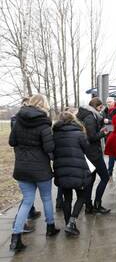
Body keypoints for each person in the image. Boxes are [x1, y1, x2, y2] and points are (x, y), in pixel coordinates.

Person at [8, 94, 60, 251]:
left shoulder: (18, 121)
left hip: (22, 167)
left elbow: (12, 142)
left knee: (27, 201)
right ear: (44, 105)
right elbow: (49, 148)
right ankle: (50, 228)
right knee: (46, 198)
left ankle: (15, 239)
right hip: (41, 168)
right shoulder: (44, 124)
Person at [53, 112, 95, 236]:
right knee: (81, 196)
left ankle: (68, 224)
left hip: (61, 169)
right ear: (73, 120)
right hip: (77, 169)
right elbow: (86, 149)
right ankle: (72, 222)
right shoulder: (79, 134)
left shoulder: (54, 134)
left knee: (67, 199)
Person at [10, 97, 41, 233]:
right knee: (28, 197)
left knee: (28, 194)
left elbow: (12, 141)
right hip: (33, 160)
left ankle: (30, 213)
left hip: (22, 159)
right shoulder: (37, 120)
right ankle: (19, 224)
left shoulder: (17, 119)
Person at [76, 97, 111, 214]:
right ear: (96, 106)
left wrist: (103, 123)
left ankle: (88, 206)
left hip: (89, 152)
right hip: (93, 154)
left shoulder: (89, 115)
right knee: (105, 177)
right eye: (100, 107)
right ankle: (97, 204)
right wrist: (103, 133)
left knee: (91, 180)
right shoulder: (90, 117)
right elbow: (91, 137)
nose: (101, 110)